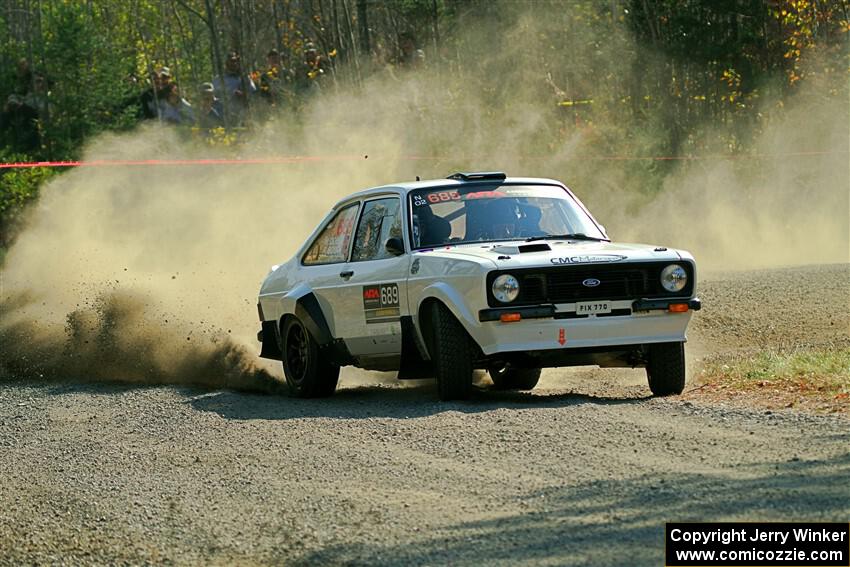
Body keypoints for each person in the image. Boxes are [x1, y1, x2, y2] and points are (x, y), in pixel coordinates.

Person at [213, 51, 257, 125]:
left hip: (241, 117)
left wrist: (243, 95)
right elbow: (212, 98)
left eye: (236, 61)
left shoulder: (245, 78)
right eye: (232, 61)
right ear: (226, 63)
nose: (234, 63)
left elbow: (253, 96)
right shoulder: (218, 79)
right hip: (222, 117)